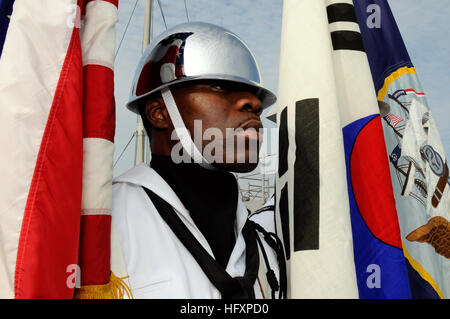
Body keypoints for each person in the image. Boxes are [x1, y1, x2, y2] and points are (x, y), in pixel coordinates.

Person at [110, 22, 286, 299]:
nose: (253, 103)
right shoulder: (102, 225)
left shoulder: (267, 248)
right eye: (219, 86)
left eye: (255, 95)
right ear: (159, 113)